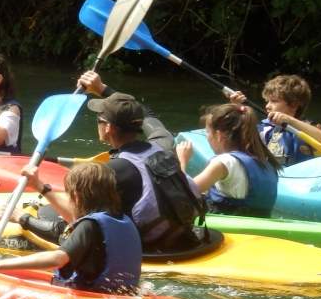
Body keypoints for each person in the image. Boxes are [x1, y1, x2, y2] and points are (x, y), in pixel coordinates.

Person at [31, 91, 202, 252]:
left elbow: (77, 220)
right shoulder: (163, 144)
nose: (97, 122)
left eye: (99, 119)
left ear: (108, 128)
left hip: (146, 246)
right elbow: (150, 116)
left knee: (47, 213)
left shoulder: (110, 172)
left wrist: (40, 187)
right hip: (181, 234)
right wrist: (103, 89)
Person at [0, 163, 142, 295]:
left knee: (3, 271)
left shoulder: (89, 226)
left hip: (91, 297)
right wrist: (39, 186)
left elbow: (57, 259)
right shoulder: (121, 219)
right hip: (122, 293)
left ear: (76, 196)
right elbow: (73, 220)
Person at [176, 102, 280, 217]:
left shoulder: (224, 162)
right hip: (257, 229)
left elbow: (182, 194)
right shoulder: (267, 163)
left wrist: (182, 161)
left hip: (228, 230)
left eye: (208, 132)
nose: (207, 137)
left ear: (219, 135)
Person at [232, 74, 321, 167]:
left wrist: (289, 120)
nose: (267, 106)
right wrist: (237, 108)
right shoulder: (263, 127)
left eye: (273, 101)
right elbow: (235, 140)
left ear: (294, 105)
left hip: (298, 179)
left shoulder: (306, 127)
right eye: (267, 101)